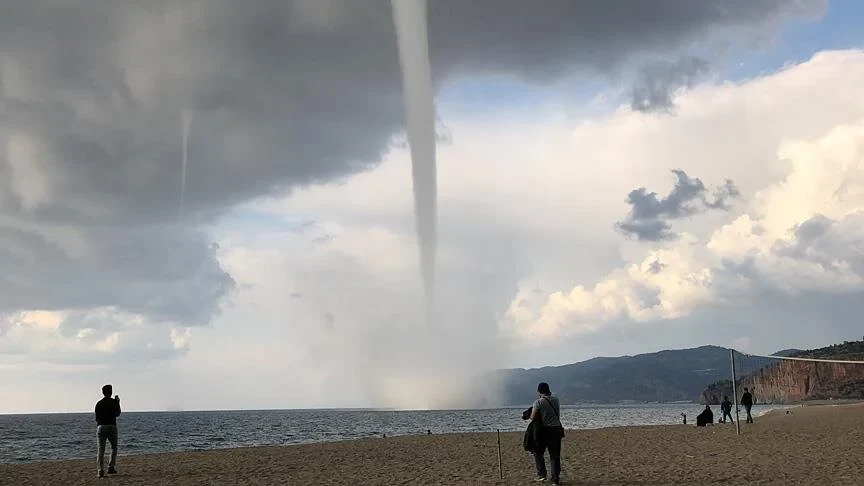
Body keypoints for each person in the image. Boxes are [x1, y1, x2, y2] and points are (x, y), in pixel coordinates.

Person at [527, 382, 565, 485]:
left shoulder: (538, 402)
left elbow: (533, 417)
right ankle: (555, 480)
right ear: (548, 390)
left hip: (544, 432)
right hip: (556, 431)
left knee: (538, 453)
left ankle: (542, 475)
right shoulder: (556, 400)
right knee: (555, 456)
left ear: (539, 391)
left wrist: (529, 415)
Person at [95, 384, 121, 478]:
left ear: (103, 392)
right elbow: (118, 413)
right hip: (112, 426)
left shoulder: (98, 403)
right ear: (111, 392)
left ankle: (100, 470)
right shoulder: (114, 402)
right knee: (114, 447)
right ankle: (111, 466)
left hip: (101, 426)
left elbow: (96, 418)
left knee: (100, 450)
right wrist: (118, 402)